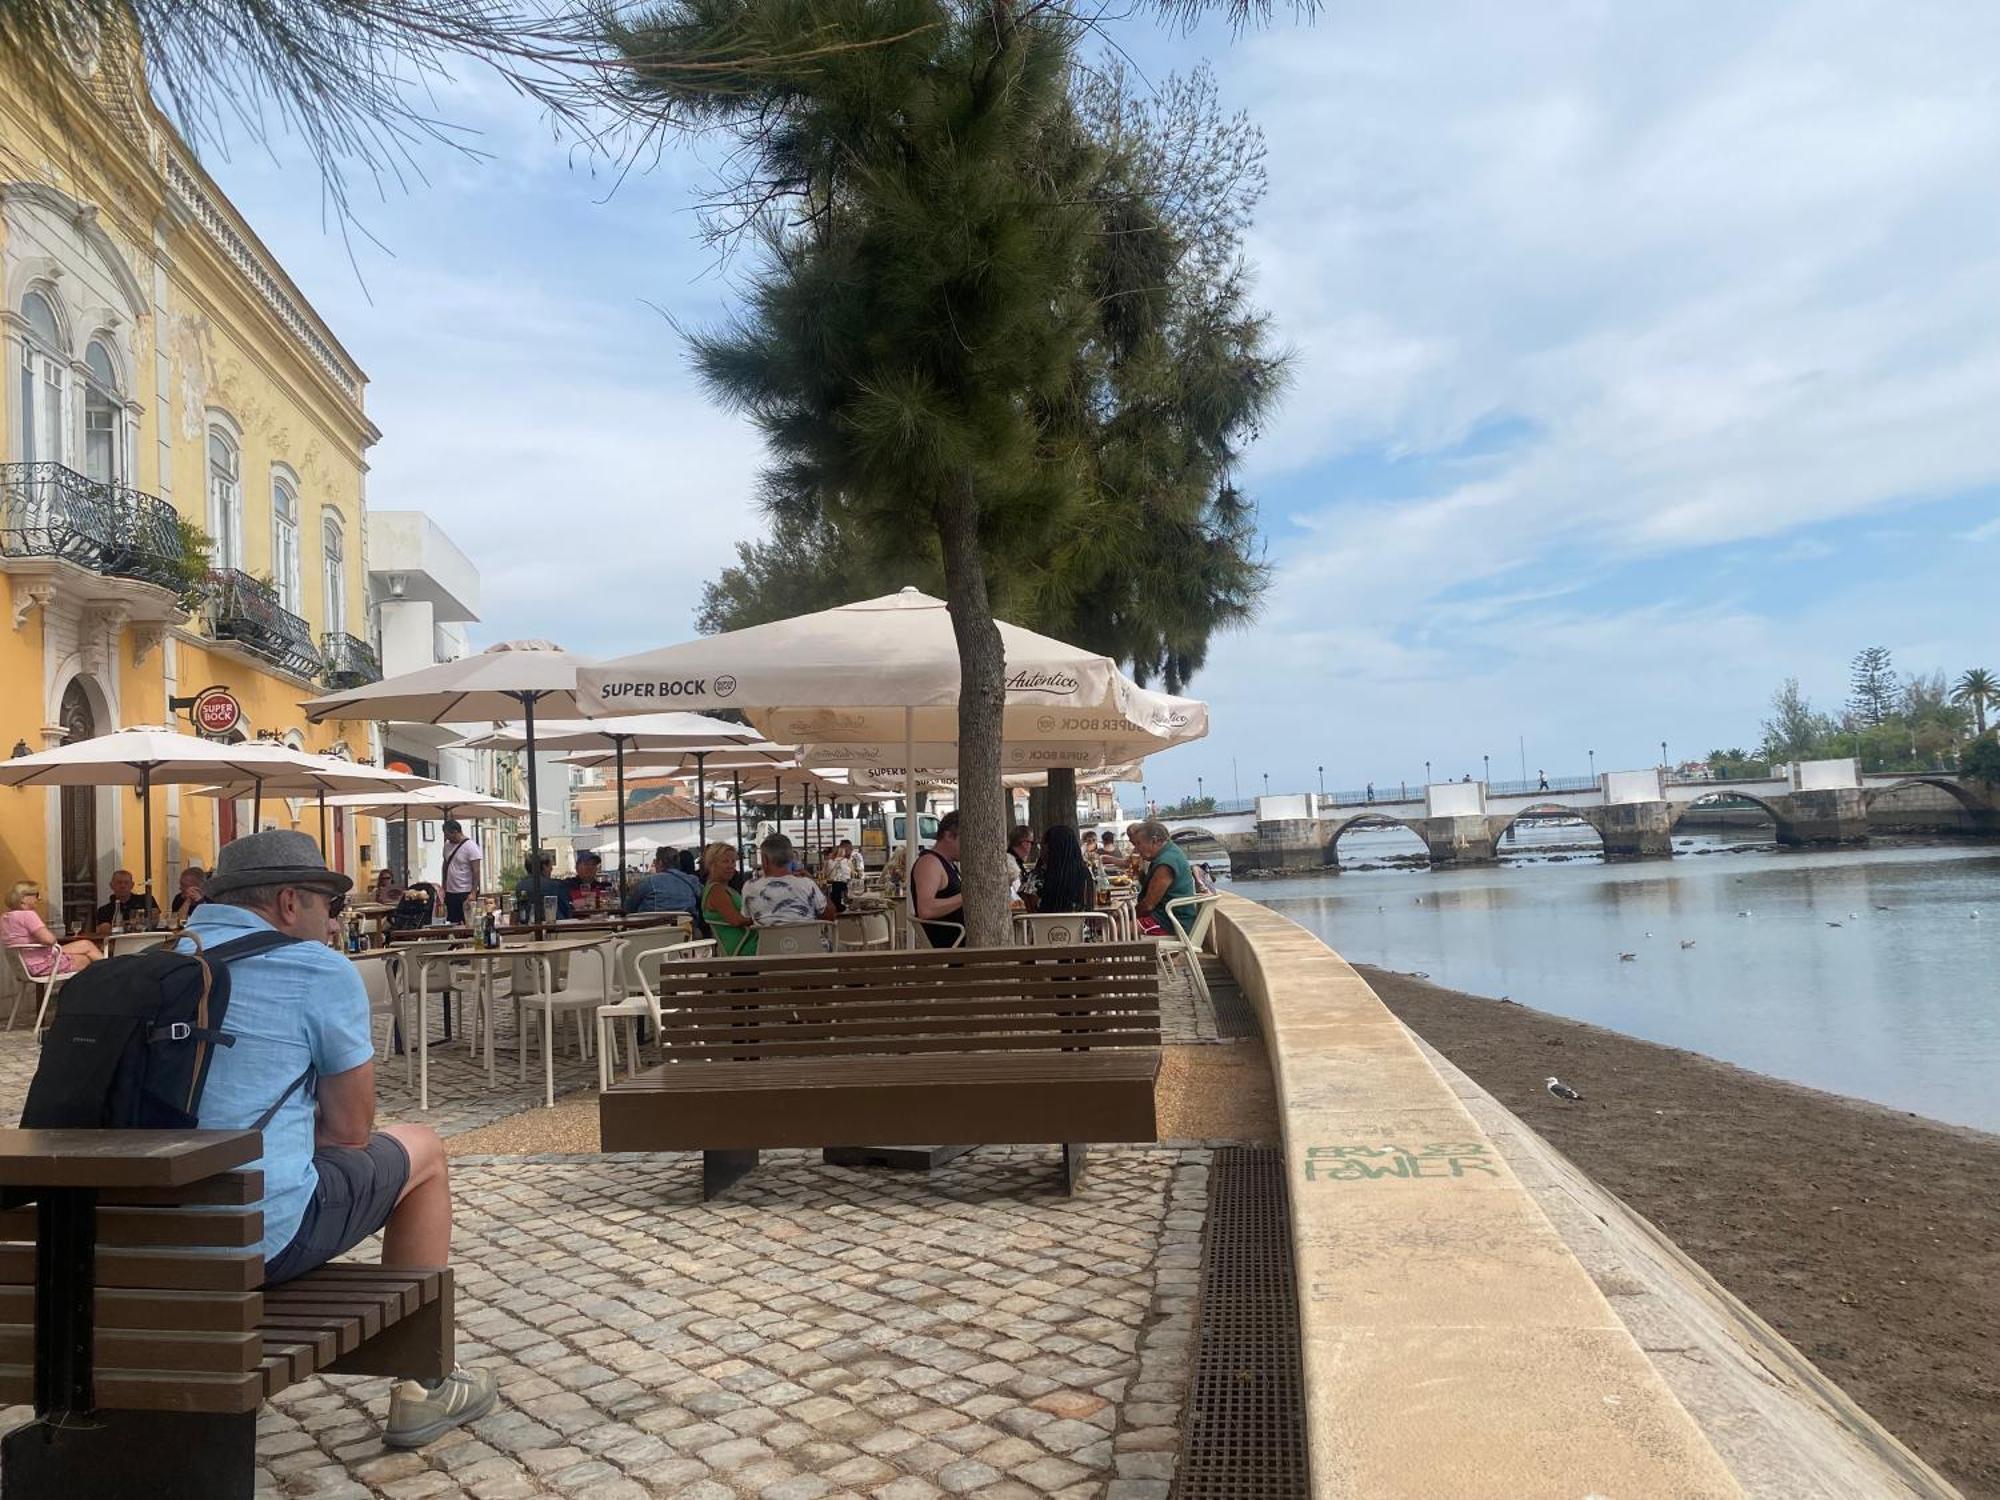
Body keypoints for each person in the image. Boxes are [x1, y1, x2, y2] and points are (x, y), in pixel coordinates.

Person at [185, 830, 495, 1445]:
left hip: (124, 1236)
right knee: (425, 1150)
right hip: (252, 1237)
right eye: (331, 906)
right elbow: (352, 1132)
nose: (334, 925)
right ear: (290, 901)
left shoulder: (158, 964)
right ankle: (422, 1384)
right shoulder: (316, 970)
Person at [3, 880, 101, 975]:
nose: (40, 898)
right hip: (41, 964)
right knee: (88, 959)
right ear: (23, 898)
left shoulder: (5, 918)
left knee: (86, 944)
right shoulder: (28, 915)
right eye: (36, 895)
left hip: (23, 966)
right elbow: (50, 940)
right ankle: (111, 977)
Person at [745, 833, 836, 927]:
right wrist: (815, 883)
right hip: (807, 941)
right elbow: (830, 915)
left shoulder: (749, 887)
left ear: (765, 860)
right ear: (791, 858)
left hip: (767, 941)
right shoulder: (807, 884)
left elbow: (747, 919)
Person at [1129, 819, 1197, 938]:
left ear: (1154, 841)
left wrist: (1128, 916)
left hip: (1169, 922)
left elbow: (1148, 905)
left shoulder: (1166, 863)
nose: (1136, 849)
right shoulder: (1169, 853)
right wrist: (1139, 873)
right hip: (1168, 917)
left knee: (1114, 929)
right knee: (1116, 924)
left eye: (1138, 844)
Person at [911, 811, 964, 947]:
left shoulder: (949, 864)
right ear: (948, 836)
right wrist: (967, 896)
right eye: (964, 839)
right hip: (953, 946)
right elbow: (925, 909)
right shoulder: (930, 863)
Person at [1022, 825, 1094, 916]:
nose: (1040, 850)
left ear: (1052, 848)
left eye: (1041, 845)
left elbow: (1032, 914)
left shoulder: (1035, 878)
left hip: (1045, 929)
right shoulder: (1086, 875)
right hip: (1080, 929)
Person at [700, 842, 756, 956]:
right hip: (742, 946)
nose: (731, 866)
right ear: (712, 864)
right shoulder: (716, 890)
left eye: (733, 862)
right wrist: (762, 918)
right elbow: (736, 920)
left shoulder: (724, 888)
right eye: (725, 861)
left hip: (748, 940)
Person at [627, 847, 701, 916]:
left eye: (655, 862)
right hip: (685, 928)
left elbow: (629, 907)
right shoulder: (692, 881)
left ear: (660, 863)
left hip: (652, 928)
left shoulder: (649, 882)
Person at [438, 821, 482, 926]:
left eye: (447, 834)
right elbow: (445, 865)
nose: (446, 837)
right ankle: (456, 942)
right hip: (451, 891)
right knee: (453, 921)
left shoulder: (471, 846)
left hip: (465, 891)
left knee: (467, 921)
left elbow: (476, 871)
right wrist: (443, 885)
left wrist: (473, 891)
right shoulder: (447, 846)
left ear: (456, 832)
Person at [93, 868, 160, 934]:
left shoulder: (147, 899)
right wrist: (134, 923)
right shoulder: (104, 910)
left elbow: (154, 921)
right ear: (111, 885)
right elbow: (104, 929)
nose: (123, 886)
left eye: (126, 882)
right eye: (119, 883)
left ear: (132, 885)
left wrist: (120, 925)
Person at [513, 853, 570, 921]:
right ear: (544, 867)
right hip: (553, 926)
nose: (551, 869)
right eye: (550, 866)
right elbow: (566, 911)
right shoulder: (554, 886)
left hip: (527, 926)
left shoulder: (519, 886)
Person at [564, 851, 614, 916]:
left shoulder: (604, 887)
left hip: (600, 923)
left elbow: (611, 907)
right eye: (586, 864)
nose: (590, 867)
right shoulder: (568, 885)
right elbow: (566, 906)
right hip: (576, 922)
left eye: (593, 864)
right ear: (577, 868)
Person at [1006, 825, 1035, 903]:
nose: (1031, 846)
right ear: (1023, 843)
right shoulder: (1010, 864)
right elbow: (1017, 896)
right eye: (1031, 842)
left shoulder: (1016, 862)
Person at [825, 839, 856, 909]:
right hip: (843, 893)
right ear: (845, 849)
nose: (851, 851)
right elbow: (853, 877)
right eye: (850, 849)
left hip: (832, 896)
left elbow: (826, 874)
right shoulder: (848, 862)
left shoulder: (829, 861)